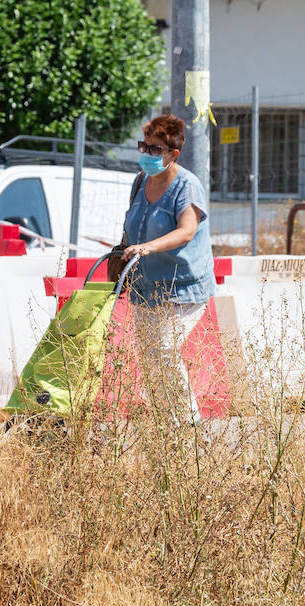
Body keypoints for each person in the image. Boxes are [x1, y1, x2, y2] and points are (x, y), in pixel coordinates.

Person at [120, 114, 215, 426]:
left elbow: (186, 231)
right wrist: (122, 254)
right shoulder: (140, 182)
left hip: (183, 286)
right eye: (144, 147)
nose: (147, 155)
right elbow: (132, 229)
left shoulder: (188, 186)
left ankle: (188, 423)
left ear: (173, 154)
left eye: (155, 150)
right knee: (150, 358)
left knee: (164, 350)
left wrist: (147, 247)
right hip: (146, 285)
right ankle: (167, 422)